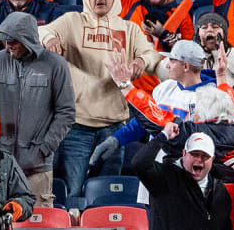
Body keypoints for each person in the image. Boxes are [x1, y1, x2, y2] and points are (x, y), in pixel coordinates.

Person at [40, 0, 161, 202]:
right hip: (77, 125)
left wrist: (139, 60)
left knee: (108, 195)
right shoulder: (72, 21)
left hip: (114, 126)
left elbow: (152, 55)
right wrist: (51, 38)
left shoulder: (129, 28)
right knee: (73, 192)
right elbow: (41, 30)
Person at [0, 12, 75, 207]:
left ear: (29, 40)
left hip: (38, 167)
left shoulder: (55, 64)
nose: (8, 46)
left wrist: (44, 148)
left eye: (13, 41)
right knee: (0, 227)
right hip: (2, 163)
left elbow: (66, 112)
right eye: (5, 40)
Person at [90, 40, 218, 169]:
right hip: (154, 164)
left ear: (186, 66)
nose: (167, 65)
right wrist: (117, 139)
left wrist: (125, 85)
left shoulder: (211, 97)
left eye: (172, 61)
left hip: (187, 170)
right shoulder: (163, 88)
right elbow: (144, 121)